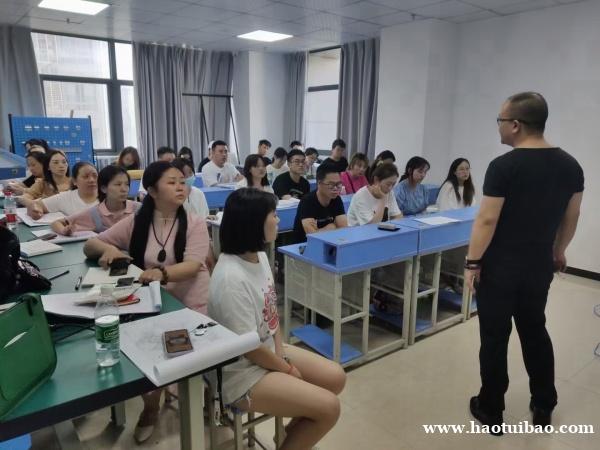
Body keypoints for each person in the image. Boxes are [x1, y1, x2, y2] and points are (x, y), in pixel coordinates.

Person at [464, 92, 584, 435]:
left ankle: (491, 409)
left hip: (499, 268)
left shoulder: (504, 167)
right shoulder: (571, 166)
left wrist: (472, 263)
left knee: (495, 336)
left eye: (500, 121)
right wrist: (559, 250)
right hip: (538, 265)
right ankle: (544, 404)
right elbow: (572, 215)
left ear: (515, 125)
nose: (498, 127)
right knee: (534, 331)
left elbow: (487, 220)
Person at [84, 161, 210, 443]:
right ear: (152, 190)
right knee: (146, 354)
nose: (181, 187)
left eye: (182, 182)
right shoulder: (137, 221)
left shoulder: (194, 223)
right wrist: (109, 249)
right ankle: (151, 407)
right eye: (172, 182)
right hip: (151, 302)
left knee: (181, 357)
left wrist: (161, 273)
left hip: (190, 302)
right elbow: (90, 244)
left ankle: (187, 396)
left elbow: (192, 266)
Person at [209, 188, 346, 450]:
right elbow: (248, 349)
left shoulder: (260, 256)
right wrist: (287, 369)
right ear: (253, 224)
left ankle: (290, 437)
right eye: (273, 215)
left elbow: (271, 314)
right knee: (330, 408)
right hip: (240, 373)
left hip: (268, 351)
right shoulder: (230, 279)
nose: (278, 220)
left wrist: (281, 354)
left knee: (336, 377)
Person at [51, 165, 137, 235]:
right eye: (118, 184)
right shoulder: (95, 214)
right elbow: (57, 223)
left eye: (127, 184)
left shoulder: (138, 209)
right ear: (104, 188)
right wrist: (64, 231)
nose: (124, 189)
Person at [293, 164, 348, 243]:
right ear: (319, 183)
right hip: (304, 245)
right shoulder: (307, 201)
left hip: (330, 242)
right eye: (331, 184)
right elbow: (312, 236)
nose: (335, 188)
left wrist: (321, 230)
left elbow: (344, 229)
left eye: (338, 184)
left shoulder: (336, 199)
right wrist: (332, 227)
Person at [27, 161, 99, 219]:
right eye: (85, 176)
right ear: (74, 181)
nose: (92, 180)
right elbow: (35, 204)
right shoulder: (66, 197)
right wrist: (36, 210)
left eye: (95, 176)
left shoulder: (105, 197)